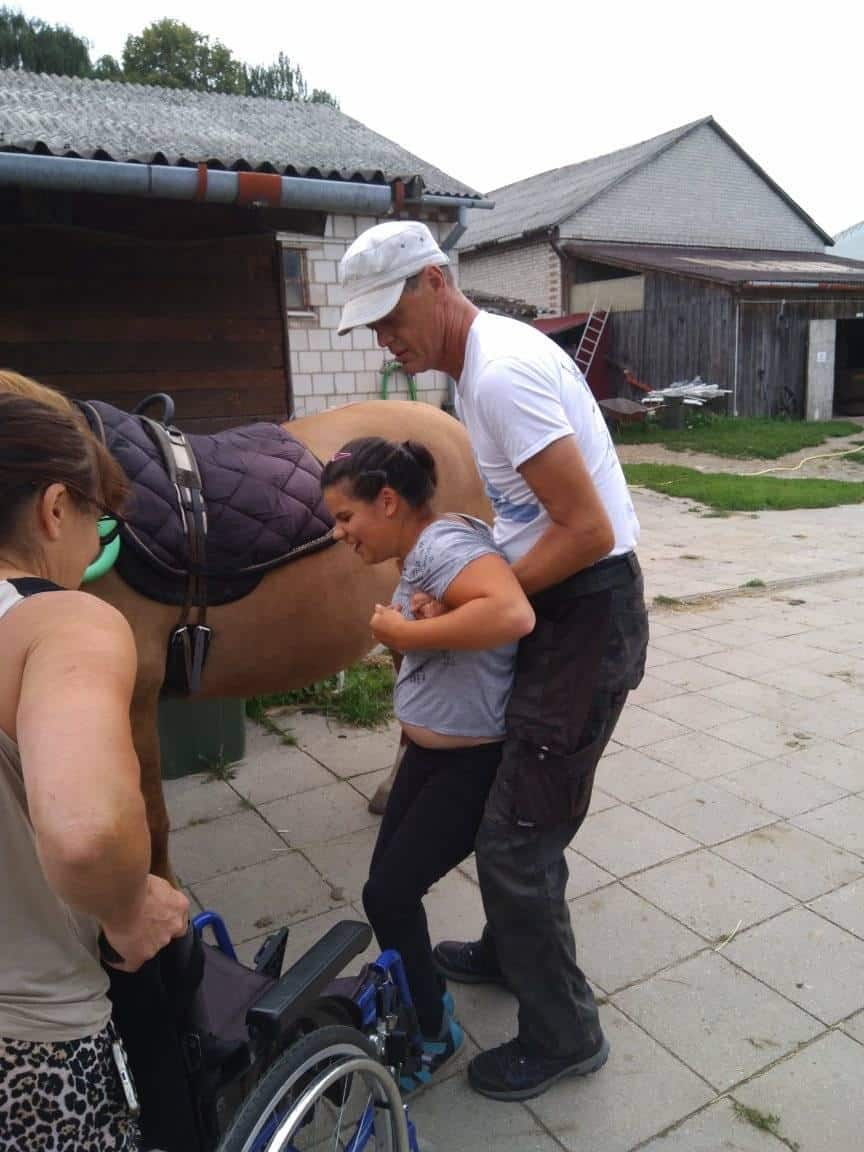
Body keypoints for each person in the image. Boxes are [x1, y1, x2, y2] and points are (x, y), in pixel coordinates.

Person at [336, 220, 649, 1102]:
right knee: (512, 812)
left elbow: (586, 532)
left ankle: (564, 1034)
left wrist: (485, 595)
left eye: (391, 316)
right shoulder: (475, 372)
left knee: (517, 839)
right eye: (371, 328)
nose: (386, 341)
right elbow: (529, 513)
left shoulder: (502, 373)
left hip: (588, 617)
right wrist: (470, 589)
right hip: (556, 607)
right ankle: (513, 952)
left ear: (436, 282)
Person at [0, 392, 190, 1151]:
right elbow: (84, 835)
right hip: (32, 1043)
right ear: (55, 510)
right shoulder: (59, 620)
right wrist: (126, 910)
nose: (92, 549)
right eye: (96, 524)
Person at [320, 435, 534, 1090]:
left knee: (388, 891)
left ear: (388, 501)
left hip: (468, 765)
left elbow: (511, 611)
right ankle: (426, 1002)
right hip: (429, 756)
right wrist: (430, 618)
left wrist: (406, 633)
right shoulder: (431, 545)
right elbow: (476, 610)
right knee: (385, 889)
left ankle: (435, 1030)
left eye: (346, 517)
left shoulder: (441, 544)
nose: (339, 533)